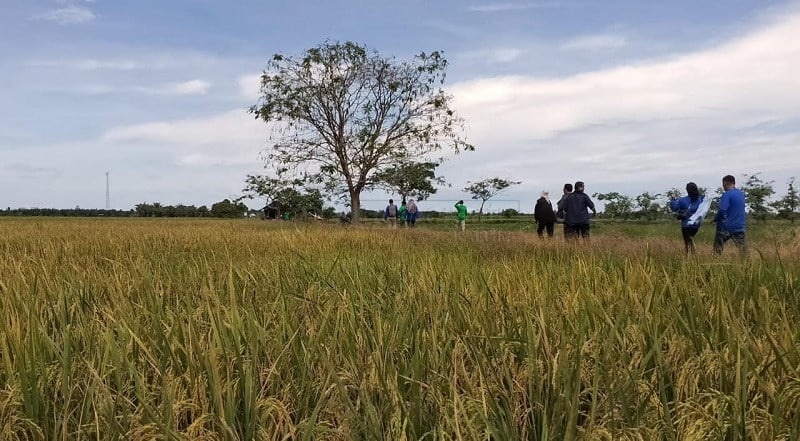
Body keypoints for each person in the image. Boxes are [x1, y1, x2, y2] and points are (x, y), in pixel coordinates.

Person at [713, 175, 747, 255]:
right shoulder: (741, 194)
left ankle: (715, 263)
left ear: (725, 183)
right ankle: (747, 265)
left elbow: (722, 209)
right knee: (743, 251)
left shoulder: (727, 194)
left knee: (717, 249)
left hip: (726, 227)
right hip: (739, 226)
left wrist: (716, 219)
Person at [669, 182, 705, 254]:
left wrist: (673, 199)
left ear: (687, 190)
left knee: (688, 244)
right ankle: (692, 256)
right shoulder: (700, 200)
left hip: (686, 225)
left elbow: (674, 208)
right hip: (696, 226)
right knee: (690, 240)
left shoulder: (683, 200)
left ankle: (692, 257)